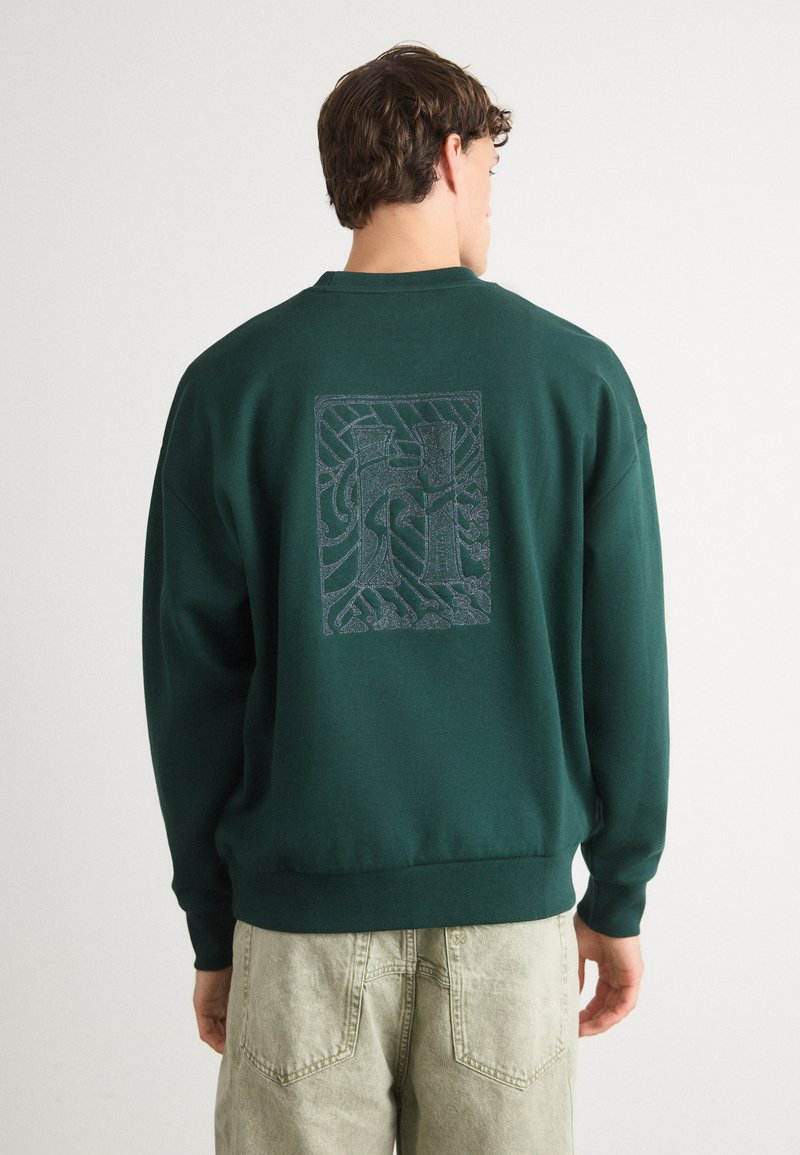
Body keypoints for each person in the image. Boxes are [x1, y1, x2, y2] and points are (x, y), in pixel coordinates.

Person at [141, 41, 670, 1154]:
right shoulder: (576, 380)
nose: (491, 198)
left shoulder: (231, 387)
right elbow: (624, 659)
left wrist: (213, 927)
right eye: (491, 168)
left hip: (297, 929)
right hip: (509, 930)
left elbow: (189, 685)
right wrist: (616, 895)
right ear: (452, 155)